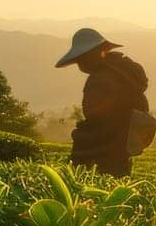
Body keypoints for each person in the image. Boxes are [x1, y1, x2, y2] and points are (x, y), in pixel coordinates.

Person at [55, 27, 149, 177]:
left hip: (104, 147)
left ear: (92, 55)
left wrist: (81, 131)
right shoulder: (123, 74)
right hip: (122, 146)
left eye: (81, 59)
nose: (80, 65)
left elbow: (96, 115)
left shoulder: (101, 79)